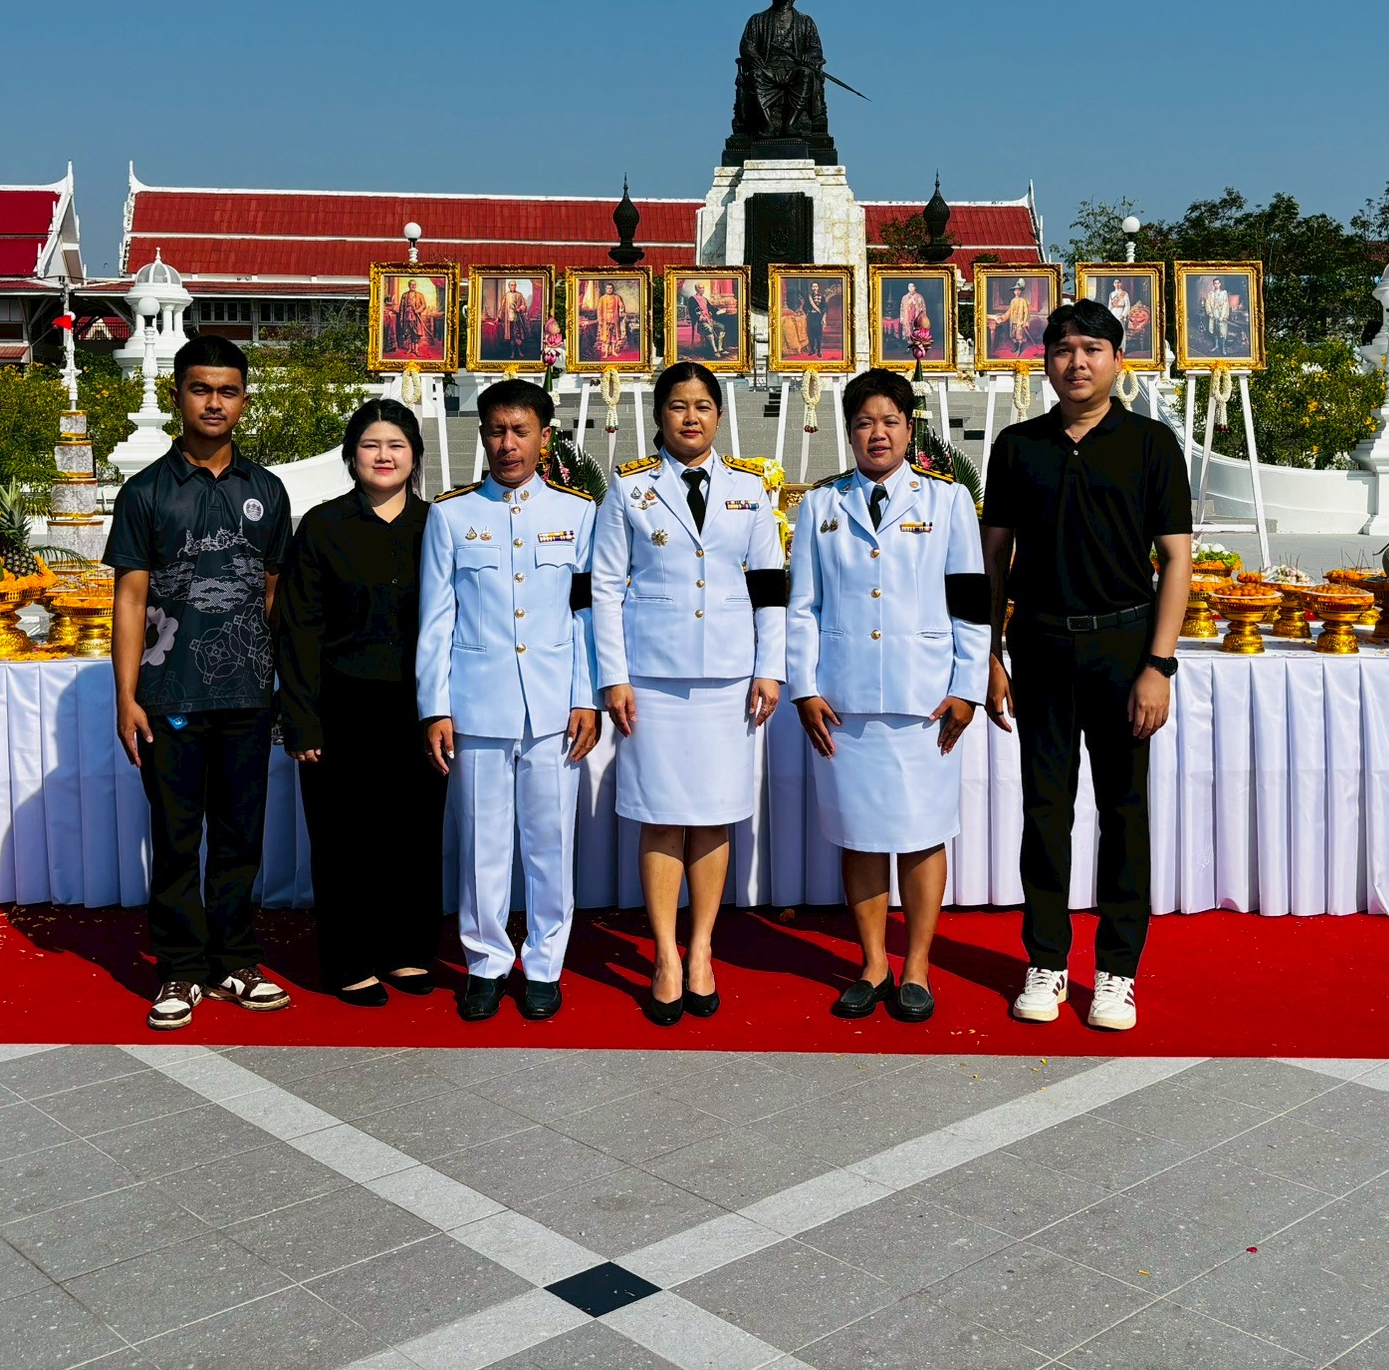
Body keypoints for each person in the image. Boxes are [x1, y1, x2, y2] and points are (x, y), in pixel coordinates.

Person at [981, 299, 1192, 1032]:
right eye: (1064, 349)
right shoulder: (1016, 446)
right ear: (1045, 360)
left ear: (1117, 361)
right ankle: (1046, 961)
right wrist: (990, 652)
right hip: (1037, 644)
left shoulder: (1151, 445)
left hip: (1124, 647)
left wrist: (1159, 665)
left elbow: (1176, 562)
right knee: (1045, 810)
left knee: (1124, 813)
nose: (1077, 362)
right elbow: (994, 558)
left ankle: (1116, 972)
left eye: (1092, 349)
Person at [108, 334, 296, 1032]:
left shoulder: (267, 492)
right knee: (178, 836)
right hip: (170, 697)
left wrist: (276, 683)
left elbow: (273, 594)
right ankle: (181, 970)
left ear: (243, 401)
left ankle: (236, 960)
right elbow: (130, 600)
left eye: (227, 391)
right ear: (179, 395)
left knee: (242, 836)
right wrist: (125, 697)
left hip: (248, 695)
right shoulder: (146, 492)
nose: (214, 402)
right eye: (200, 389)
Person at [787, 370, 987, 1023]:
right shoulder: (819, 506)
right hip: (844, 699)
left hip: (925, 699)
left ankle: (918, 967)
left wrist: (967, 687)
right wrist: (804, 686)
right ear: (848, 432)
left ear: (910, 428)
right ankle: (873, 962)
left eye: (891, 420)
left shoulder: (949, 501)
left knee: (925, 835)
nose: (878, 433)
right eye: (866, 421)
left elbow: (972, 602)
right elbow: (801, 607)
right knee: (861, 835)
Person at [590, 361, 786, 1025]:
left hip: (730, 676)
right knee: (661, 812)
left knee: (714, 812)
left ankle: (702, 947)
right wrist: (612, 675)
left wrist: (771, 666)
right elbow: (606, 587)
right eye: (678, 406)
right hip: (653, 677)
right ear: (659, 416)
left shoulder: (750, 491)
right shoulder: (630, 491)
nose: (691, 417)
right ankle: (665, 953)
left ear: (721, 415)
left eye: (703, 405)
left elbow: (769, 586)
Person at [417, 379, 601, 1022]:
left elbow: (586, 617)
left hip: (554, 708)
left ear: (545, 437)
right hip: (478, 704)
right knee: (481, 845)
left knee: (550, 844)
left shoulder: (578, 515)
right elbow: (436, 621)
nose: (507, 444)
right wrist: (435, 708)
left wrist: (588, 697)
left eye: (520, 431)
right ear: (482, 436)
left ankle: (546, 962)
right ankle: (486, 961)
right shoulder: (451, 516)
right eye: (496, 431)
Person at [275, 400, 441, 1007]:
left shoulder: (437, 524)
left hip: (421, 708)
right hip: (340, 704)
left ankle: (406, 950)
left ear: (414, 457)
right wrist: (301, 717)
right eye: (370, 445)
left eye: (396, 445)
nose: (384, 456)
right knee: (345, 839)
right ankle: (348, 959)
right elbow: (296, 628)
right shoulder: (321, 527)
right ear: (350, 456)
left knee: (414, 834)